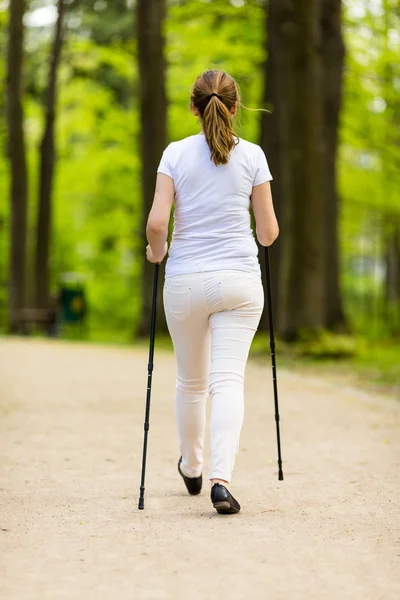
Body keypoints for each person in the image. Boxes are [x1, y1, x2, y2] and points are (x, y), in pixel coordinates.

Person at [145, 69, 279, 514]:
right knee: (228, 382)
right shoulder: (254, 156)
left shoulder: (175, 154)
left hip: (185, 280)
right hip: (239, 282)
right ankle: (221, 480)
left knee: (191, 382)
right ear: (235, 107)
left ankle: (191, 464)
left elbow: (157, 224)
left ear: (193, 106)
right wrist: (262, 237)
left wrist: (156, 252)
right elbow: (268, 232)